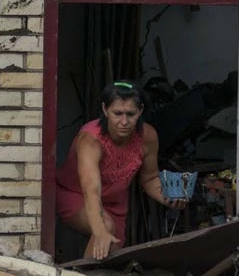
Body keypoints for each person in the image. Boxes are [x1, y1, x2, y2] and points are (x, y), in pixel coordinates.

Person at [56, 81, 186, 260]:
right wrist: (100, 231)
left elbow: (149, 179)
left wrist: (170, 196)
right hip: (75, 194)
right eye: (117, 113)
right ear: (105, 110)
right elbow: (91, 191)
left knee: (113, 257)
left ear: (140, 111)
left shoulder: (147, 137)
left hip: (115, 204)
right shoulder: (90, 141)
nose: (124, 122)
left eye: (130, 114)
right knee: (106, 229)